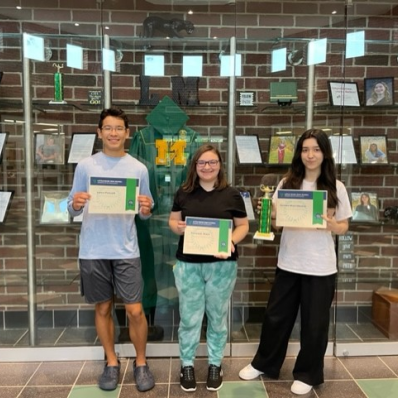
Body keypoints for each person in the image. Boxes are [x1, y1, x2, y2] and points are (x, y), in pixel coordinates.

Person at [239, 129, 352, 395]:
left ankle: (308, 373)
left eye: (316, 149)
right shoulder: (286, 184)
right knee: (276, 317)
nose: (310, 155)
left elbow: (344, 226)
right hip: (289, 262)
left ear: (325, 153)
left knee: (315, 324)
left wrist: (333, 226)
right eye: (305, 149)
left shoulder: (337, 187)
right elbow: (276, 223)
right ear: (298, 153)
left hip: (321, 266)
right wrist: (268, 213)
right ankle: (264, 363)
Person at [67, 107, 155, 392]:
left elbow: (145, 212)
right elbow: (71, 207)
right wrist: (77, 203)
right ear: (99, 132)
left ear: (127, 133)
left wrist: (146, 207)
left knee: (135, 310)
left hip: (126, 249)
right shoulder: (86, 166)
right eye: (108, 128)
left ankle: (141, 362)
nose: (114, 133)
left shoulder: (138, 168)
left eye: (119, 128)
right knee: (103, 307)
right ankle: (112, 361)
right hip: (93, 249)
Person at [169, 144, 249, 392]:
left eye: (212, 162)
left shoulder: (232, 194)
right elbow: (173, 220)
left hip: (221, 266)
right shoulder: (184, 192)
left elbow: (243, 226)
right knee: (190, 319)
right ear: (195, 166)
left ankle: (215, 363)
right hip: (188, 265)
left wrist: (230, 242)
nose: (207, 167)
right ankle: (187, 365)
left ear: (219, 165)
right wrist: (177, 228)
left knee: (216, 318)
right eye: (202, 163)